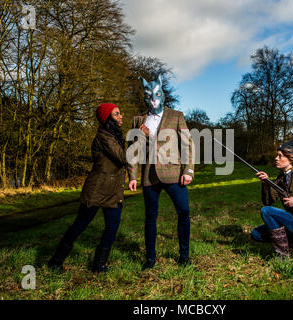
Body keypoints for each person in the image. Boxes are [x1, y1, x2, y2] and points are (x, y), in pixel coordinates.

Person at [48, 103, 126, 273]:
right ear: (107, 118)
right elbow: (124, 157)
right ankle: (56, 261)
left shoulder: (114, 135)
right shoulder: (103, 137)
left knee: (112, 226)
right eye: (117, 114)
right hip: (97, 189)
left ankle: (99, 264)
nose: (121, 117)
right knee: (80, 224)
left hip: (113, 190)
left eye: (120, 113)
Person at [128, 75, 195, 270]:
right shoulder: (138, 120)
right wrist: (132, 176)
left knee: (184, 212)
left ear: (162, 95)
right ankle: (150, 258)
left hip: (174, 174)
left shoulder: (176, 116)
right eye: (149, 96)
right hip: (149, 175)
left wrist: (188, 170)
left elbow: (188, 145)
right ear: (145, 97)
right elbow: (133, 150)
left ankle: (184, 255)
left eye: (156, 95)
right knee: (150, 216)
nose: (153, 99)